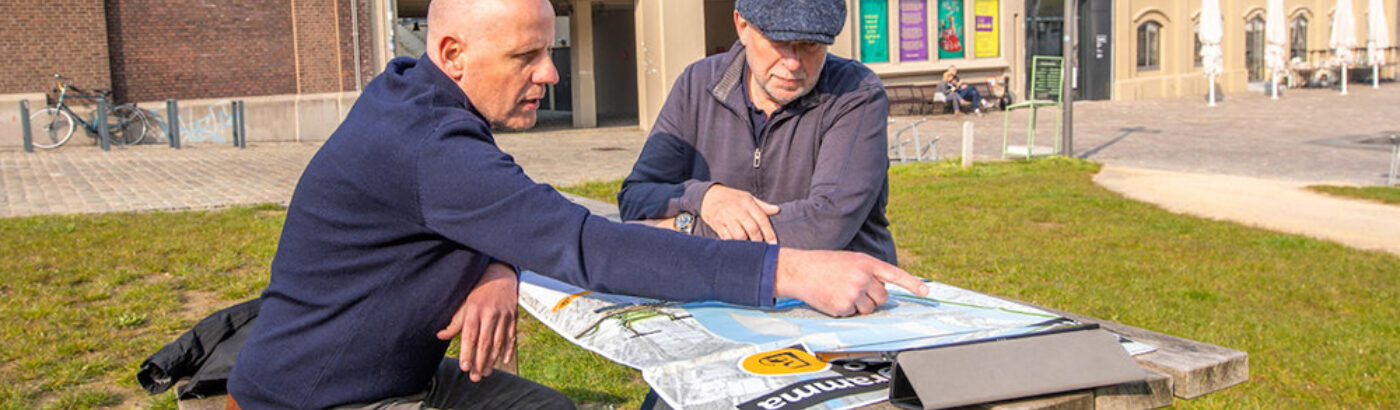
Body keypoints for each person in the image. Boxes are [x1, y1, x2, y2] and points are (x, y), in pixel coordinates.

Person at [226, 0, 928, 408]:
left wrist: (499, 261)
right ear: (452, 52)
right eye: (525, 58)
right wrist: (793, 272)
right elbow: (591, 242)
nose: (551, 73)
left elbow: (514, 210)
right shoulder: (434, 145)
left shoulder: (411, 96)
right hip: (326, 398)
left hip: (376, 370)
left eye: (549, 50)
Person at [617, 0, 897, 265]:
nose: (793, 64)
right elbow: (635, 198)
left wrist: (684, 230)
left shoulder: (856, 92)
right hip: (732, 292)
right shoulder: (696, 85)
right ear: (742, 26)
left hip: (847, 298)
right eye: (778, 42)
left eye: (810, 45)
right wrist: (704, 196)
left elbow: (824, 226)